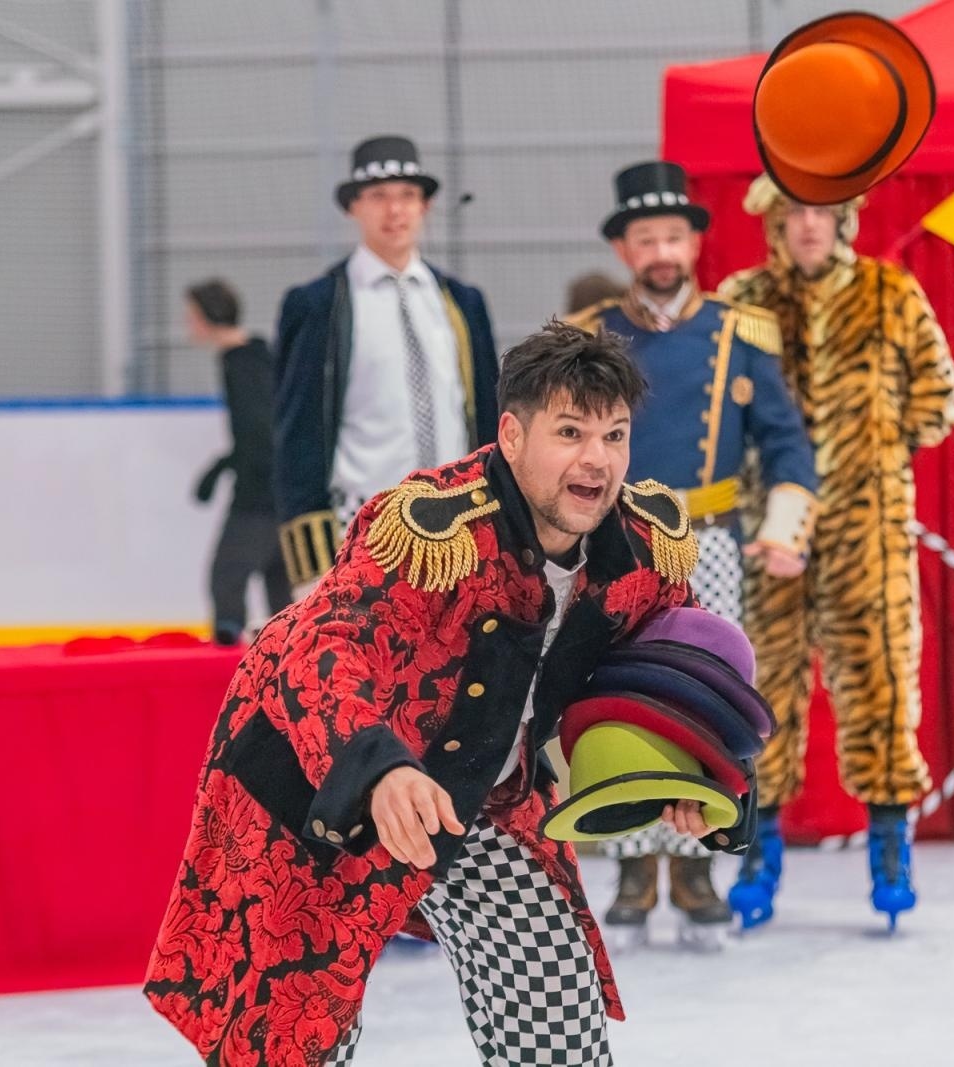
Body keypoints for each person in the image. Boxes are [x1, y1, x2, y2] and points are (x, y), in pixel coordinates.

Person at [146, 321, 750, 1066]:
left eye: (614, 435)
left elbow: (674, 672)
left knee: (555, 1010)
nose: (597, 459)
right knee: (285, 1041)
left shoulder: (643, 548)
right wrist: (381, 769)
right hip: (319, 780)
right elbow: (321, 648)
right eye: (570, 432)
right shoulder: (429, 527)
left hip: (484, 796)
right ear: (512, 434)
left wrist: (700, 778)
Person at [568, 160, 817, 946]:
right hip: (614, 540)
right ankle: (636, 864)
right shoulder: (587, 335)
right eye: (647, 239)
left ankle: (702, 856)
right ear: (625, 248)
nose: (663, 251)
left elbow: (785, 442)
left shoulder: (740, 331)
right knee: (620, 690)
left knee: (703, 695)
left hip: (709, 542)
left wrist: (785, 524)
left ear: (694, 244)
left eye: (674, 235)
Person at [718, 175, 954, 929]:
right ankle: (759, 854)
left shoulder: (892, 294)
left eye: (823, 212)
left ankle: (891, 850)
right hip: (771, 527)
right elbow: (715, 403)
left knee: (882, 679)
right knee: (763, 685)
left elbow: (941, 397)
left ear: (845, 220)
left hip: (870, 524)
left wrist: (880, 448)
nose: (810, 226)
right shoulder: (744, 299)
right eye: (795, 213)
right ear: (776, 223)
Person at [274, 135, 498, 594]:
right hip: (360, 517)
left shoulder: (460, 301)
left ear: (425, 207)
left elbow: (490, 416)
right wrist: (312, 560)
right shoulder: (318, 305)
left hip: (458, 515)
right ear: (353, 207)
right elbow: (297, 430)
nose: (394, 211)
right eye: (378, 197)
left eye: (407, 196)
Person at [185, 279, 292, 644]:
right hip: (277, 486)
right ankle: (285, 649)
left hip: (259, 492)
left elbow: (257, 430)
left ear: (206, 317)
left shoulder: (242, 364)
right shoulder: (255, 356)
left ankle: (228, 652)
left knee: (227, 575)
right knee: (278, 577)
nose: (189, 325)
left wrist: (236, 474)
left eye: (192, 316)